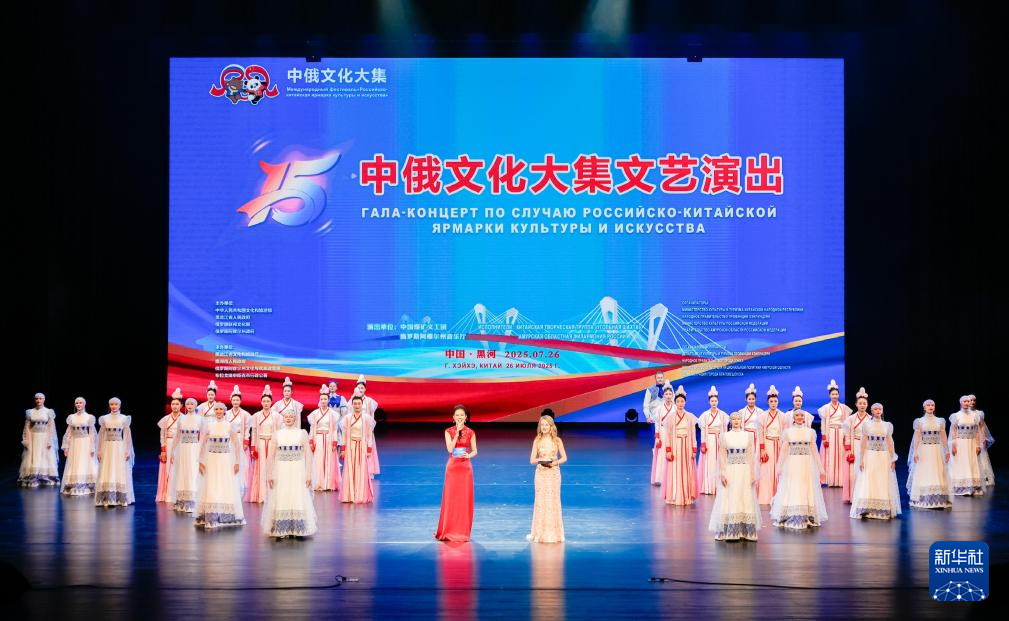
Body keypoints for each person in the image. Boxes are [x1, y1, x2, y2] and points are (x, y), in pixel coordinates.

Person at [262, 406, 317, 539]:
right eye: (286, 417)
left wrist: (308, 473)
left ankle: (298, 528)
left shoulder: (302, 433)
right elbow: (270, 456)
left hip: (298, 470)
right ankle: (281, 528)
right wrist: (269, 474)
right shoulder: (277, 434)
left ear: (295, 418)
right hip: (281, 470)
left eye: (291, 416)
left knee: (297, 494)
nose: (288, 419)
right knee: (282, 494)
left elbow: (308, 455)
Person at [770, 409, 827, 530]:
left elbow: (814, 450)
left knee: (806, 486)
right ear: (794, 418)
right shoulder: (788, 432)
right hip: (793, 463)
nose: (800, 417)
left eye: (802, 415)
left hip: (806, 463)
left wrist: (820, 468)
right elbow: (784, 451)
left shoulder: (810, 432)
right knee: (793, 486)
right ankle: (791, 514)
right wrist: (779, 466)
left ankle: (807, 514)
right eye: (797, 415)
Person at [709, 411, 761, 541]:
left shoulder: (748, 436)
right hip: (730, 470)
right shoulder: (725, 436)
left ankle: (745, 531)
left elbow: (751, 456)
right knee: (729, 497)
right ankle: (728, 531)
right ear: (731, 421)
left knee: (744, 497)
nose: (736, 421)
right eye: (734, 419)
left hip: (744, 470)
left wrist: (752, 473)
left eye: (738, 419)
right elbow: (722, 456)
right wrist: (722, 473)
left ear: (741, 421)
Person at [194, 402, 245, 529]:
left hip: (225, 460)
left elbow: (237, 445)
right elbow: (202, 444)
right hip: (211, 459)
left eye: (220, 409)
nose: (218, 411)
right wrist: (200, 461)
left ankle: (224, 515)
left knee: (224, 483)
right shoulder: (209, 425)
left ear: (224, 411)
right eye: (216, 409)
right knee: (211, 483)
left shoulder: (229, 425)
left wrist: (237, 462)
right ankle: (211, 515)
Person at [850, 403, 901, 520]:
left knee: (882, 479)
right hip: (870, 455)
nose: (878, 411)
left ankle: (882, 508)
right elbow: (863, 443)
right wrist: (861, 459)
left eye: (880, 409)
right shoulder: (867, 425)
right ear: (872, 411)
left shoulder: (887, 425)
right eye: (875, 409)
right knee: (869, 479)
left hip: (883, 456)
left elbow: (890, 443)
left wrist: (893, 459)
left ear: (882, 411)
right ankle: (867, 508)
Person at [435, 404, 477, 542]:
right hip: (453, 468)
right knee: (451, 499)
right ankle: (448, 529)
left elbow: (475, 450)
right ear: (453, 417)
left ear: (466, 417)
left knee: (464, 500)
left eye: (462, 415)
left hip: (465, 468)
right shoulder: (448, 431)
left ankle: (462, 531)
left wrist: (469, 455)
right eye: (457, 415)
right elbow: (449, 449)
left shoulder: (471, 432)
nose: (459, 417)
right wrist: (456, 433)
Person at [906, 399, 953, 510]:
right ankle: (924, 498)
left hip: (936, 450)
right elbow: (917, 438)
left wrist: (947, 450)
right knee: (925, 471)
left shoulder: (940, 421)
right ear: (924, 408)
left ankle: (938, 498)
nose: (931, 406)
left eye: (932, 405)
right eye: (928, 405)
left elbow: (944, 437)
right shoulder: (919, 421)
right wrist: (915, 451)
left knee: (937, 471)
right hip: (925, 450)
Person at [528, 412, 566, 543]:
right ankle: (540, 532)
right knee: (541, 501)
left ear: (551, 426)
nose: (544, 427)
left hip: (554, 473)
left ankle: (555, 533)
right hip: (541, 474)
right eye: (542, 425)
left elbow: (564, 457)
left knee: (553, 501)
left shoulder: (557, 440)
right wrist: (541, 460)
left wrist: (555, 462)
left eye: (547, 425)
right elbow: (532, 460)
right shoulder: (537, 440)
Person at [95, 398, 135, 507]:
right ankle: (107, 497)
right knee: (107, 469)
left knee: (119, 469)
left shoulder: (124, 418)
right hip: (107, 447)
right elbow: (100, 435)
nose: (114, 406)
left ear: (119, 405)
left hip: (119, 447)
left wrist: (127, 450)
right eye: (112, 404)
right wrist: (99, 450)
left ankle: (120, 498)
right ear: (109, 405)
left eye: (116, 404)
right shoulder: (105, 418)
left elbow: (127, 436)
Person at [663, 385, 697, 505]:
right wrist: (668, 450)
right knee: (675, 470)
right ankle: (674, 495)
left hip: (687, 445)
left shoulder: (690, 417)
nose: (680, 404)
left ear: (685, 402)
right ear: (675, 402)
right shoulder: (670, 418)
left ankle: (686, 496)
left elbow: (693, 433)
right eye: (678, 401)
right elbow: (668, 435)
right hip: (675, 446)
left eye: (682, 401)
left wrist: (694, 449)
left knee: (687, 470)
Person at [339, 395, 376, 504]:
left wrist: (369, 449)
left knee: (361, 469)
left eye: (359, 403)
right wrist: (343, 449)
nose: (357, 406)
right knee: (350, 469)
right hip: (350, 446)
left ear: (362, 405)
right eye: (355, 404)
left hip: (362, 446)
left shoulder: (367, 418)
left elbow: (369, 435)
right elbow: (344, 435)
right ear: (352, 405)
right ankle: (349, 495)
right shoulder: (347, 418)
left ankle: (361, 494)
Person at [168, 396, 202, 513]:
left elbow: (203, 437)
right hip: (182, 449)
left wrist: (202, 452)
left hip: (194, 449)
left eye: (192, 404)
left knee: (193, 472)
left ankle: (192, 502)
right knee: (183, 471)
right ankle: (182, 501)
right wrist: (173, 450)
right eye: (188, 404)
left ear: (195, 405)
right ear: (185, 406)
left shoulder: (200, 419)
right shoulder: (181, 419)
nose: (190, 406)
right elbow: (177, 436)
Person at [18, 392, 60, 488]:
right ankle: (34, 476)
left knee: (45, 455)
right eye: (36, 398)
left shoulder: (49, 411)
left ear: (44, 400)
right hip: (34, 437)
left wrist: (50, 439)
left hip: (44, 437)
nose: (38, 400)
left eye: (40, 398)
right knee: (33, 455)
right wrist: (26, 439)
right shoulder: (30, 412)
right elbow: (27, 427)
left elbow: (51, 427)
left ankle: (45, 476)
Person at [246, 385, 279, 503]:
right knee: (260, 468)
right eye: (264, 401)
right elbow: (254, 432)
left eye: (268, 401)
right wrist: (253, 448)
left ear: (271, 402)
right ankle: (260, 495)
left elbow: (278, 432)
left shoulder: (276, 416)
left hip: (271, 443)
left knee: (272, 467)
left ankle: (272, 495)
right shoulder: (256, 416)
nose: (266, 403)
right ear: (261, 402)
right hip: (260, 443)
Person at [60, 397, 98, 496]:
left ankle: (87, 486)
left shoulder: (89, 417)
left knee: (85, 462)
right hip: (74, 443)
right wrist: (66, 446)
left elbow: (92, 433)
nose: (78, 405)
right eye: (77, 403)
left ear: (84, 404)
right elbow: (69, 433)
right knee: (75, 462)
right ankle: (75, 485)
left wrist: (92, 446)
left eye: (80, 403)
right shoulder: (71, 417)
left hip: (85, 442)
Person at [818, 379, 852, 487]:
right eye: (833, 394)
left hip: (841, 433)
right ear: (829, 395)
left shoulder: (843, 408)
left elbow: (846, 423)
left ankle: (841, 480)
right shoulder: (825, 408)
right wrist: (824, 437)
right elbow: (823, 423)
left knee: (841, 456)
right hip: (831, 433)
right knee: (830, 456)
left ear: (839, 395)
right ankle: (831, 480)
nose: (835, 396)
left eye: (836, 394)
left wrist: (846, 437)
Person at [949, 395, 984, 496]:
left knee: (971, 462)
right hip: (960, 443)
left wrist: (978, 445)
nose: (967, 403)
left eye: (968, 401)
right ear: (961, 403)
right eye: (965, 401)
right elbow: (953, 431)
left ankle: (971, 486)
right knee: (961, 463)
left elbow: (977, 431)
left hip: (971, 443)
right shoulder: (956, 416)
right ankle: (960, 487)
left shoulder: (975, 416)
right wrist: (953, 445)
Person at [308, 384, 340, 491]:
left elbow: (334, 429)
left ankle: (329, 484)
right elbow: (312, 428)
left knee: (329, 460)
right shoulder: (315, 414)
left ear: (328, 400)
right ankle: (318, 483)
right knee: (318, 460)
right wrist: (311, 441)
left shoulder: (333, 414)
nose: (323, 401)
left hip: (329, 438)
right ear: (319, 400)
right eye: (321, 399)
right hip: (318, 439)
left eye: (325, 399)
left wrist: (335, 442)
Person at [696, 386, 728, 495]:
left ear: (718, 401)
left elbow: (724, 430)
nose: (714, 403)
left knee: (720, 462)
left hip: (719, 439)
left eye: (715, 401)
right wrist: (703, 443)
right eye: (712, 401)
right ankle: (708, 486)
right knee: (709, 463)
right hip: (709, 440)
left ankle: (719, 486)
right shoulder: (705, 415)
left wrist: (724, 442)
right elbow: (703, 430)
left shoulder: (723, 415)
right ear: (709, 402)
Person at [841, 388, 870, 504]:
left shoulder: (870, 419)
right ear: (856, 404)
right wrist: (849, 450)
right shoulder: (851, 419)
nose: (862, 405)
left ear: (867, 405)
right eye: (860, 403)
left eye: (864, 403)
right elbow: (847, 435)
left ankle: (864, 496)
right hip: (855, 445)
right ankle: (853, 496)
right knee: (853, 473)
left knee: (865, 471)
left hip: (866, 447)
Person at [757, 386, 784, 505]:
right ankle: (766, 496)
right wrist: (762, 449)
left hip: (779, 444)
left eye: (775, 401)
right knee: (767, 470)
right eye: (771, 401)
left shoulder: (782, 416)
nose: (773, 403)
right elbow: (761, 434)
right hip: (768, 444)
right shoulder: (763, 416)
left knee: (779, 469)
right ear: (768, 402)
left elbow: (784, 433)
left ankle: (779, 496)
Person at [155, 389, 184, 502]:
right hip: (168, 444)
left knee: (178, 468)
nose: (175, 406)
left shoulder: (184, 418)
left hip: (180, 445)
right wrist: (163, 450)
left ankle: (177, 494)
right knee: (167, 469)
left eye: (177, 404)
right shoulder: (166, 419)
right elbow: (162, 435)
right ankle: (166, 494)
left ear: (181, 405)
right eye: (173, 404)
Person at [737, 383, 766, 483]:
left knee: (756, 457)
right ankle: (745, 478)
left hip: (757, 436)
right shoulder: (741, 412)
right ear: (746, 399)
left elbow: (762, 427)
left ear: (756, 399)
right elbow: (739, 426)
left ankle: (756, 479)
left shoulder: (760, 412)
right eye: (749, 399)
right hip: (746, 436)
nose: (751, 401)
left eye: (753, 399)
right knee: (746, 457)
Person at [354, 375, 381, 477]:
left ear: (365, 389)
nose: (360, 390)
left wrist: (371, 428)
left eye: (362, 388)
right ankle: (358, 469)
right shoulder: (353, 400)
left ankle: (369, 471)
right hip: (356, 427)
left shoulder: (370, 401)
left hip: (366, 427)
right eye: (359, 388)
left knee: (368, 447)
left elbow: (371, 415)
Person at [227, 385, 252, 496]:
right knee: (230, 460)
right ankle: (230, 483)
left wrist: (246, 440)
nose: (235, 402)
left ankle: (241, 484)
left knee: (241, 462)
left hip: (240, 438)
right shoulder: (227, 413)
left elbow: (247, 428)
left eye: (237, 400)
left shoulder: (245, 414)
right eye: (234, 400)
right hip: (229, 440)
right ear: (231, 401)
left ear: (240, 401)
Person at [643, 370, 666, 485]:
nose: (660, 379)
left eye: (661, 377)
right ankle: (657, 470)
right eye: (658, 378)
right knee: (657, 444)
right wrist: (648, 416)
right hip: (655, 420)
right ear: (655, 378)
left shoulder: (668, 388)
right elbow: (646, 405)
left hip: (666, 420)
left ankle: (666, 470)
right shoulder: (650, 390)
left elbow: (673, 403)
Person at [968, 395, 995, 487]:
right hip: (969, 436)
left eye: (974, 400)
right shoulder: (964, 413)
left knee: (981, 456)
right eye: (970, 400)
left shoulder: (979, 413)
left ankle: (984, 477)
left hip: (978, 436)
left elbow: (982, 426)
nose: (972, 402)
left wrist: (984, 438)